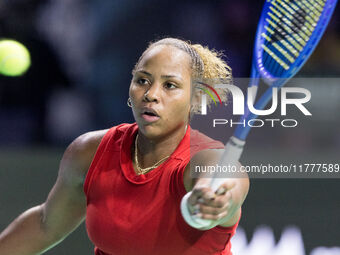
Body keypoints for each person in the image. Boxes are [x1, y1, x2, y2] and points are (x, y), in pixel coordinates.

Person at [0, 38, 249, 255]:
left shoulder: (206, 159)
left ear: (196, 97)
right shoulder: (89, 151)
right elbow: (46, 224)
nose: (150, 94)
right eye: (142, 80)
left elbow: (223, 179)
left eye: (169, 85)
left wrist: (211, 196)